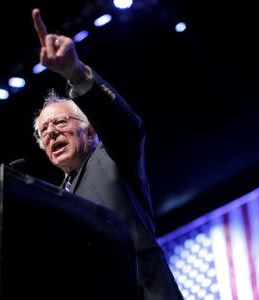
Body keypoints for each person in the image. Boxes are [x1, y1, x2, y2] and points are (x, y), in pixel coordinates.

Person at [31, 8, 183, 299]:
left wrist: (75, 74)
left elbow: (125, 127)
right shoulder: (51, 201)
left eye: (60, 122)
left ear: (89, 132)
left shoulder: (111, 158)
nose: (50, 132)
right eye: (44, 130)